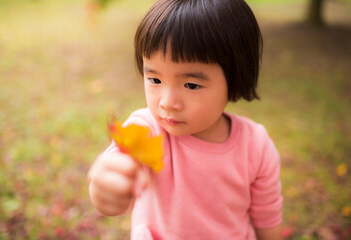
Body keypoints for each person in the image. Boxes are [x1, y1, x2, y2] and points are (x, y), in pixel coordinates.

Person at [88, 0, 283, 239]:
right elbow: (116, 174)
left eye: (191, 84)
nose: (167, 102)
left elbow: (268, 218)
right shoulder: (146, 129)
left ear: (234, 84)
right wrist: (105, 187)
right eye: (155, 80)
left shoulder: (256, 146)